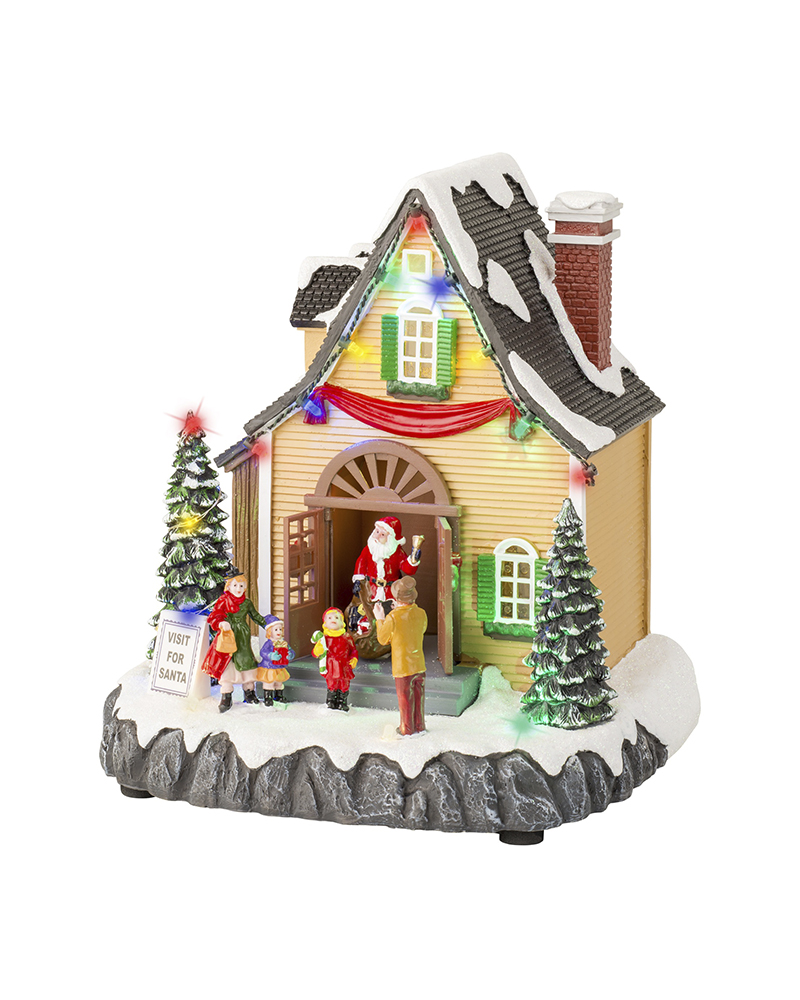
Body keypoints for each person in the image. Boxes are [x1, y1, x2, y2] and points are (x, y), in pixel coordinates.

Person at [200, 573, 266, 713]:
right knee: (228, 664)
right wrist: (221, 622)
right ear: (228, 587)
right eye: (235, 585)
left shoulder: (246, 603)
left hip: (242, 637)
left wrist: (268, 624)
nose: (238, 589)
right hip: (228, 636)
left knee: (246, 663)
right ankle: (226, 695)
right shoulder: (223, 601)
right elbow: (215, 616)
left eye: (241, 585)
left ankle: (249, 692)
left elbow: (255, 616)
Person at [374, 577, 428, 736]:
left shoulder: (393, 617)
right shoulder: (421, 613)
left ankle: (407, 728)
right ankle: (420, 726)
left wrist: (380, 619)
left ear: (397, 598)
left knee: (405, 700)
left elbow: (382, 639)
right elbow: (421, 630)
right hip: (419, 664)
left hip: (402, 666)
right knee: (419, 698)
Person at [352, 517, 423, 607]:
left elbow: (407, 569)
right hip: (370, 588)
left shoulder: (397, 553)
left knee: (390, 609)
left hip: (390, 591)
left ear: (390, 538)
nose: (377, 536)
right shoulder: (369, 549)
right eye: (377, 532)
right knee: (365, 607)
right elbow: (361, 563)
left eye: (382, 535)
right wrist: (358, 580)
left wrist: (413, 560)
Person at [311, 608, 358, 712]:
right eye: (330, 618)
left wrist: (354, 659)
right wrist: (317, 651)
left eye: (337, 618)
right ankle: (331, 701)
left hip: (344, 665)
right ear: (325, 623)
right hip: (331, 665)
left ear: (342, 623)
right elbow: (315, 653)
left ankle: (342, 701)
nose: (333, 620)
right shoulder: (323, 638)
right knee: (332, 683)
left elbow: (353, 650)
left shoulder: (347, 637)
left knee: (344, 683)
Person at [256, 615, 294, 707]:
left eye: (280, 629)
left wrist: (290, 654)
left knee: (279, 682)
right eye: (276, 630)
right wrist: (271, 655)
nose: (279, 632)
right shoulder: (269, 643)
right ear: (270, 632)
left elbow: (291, 650)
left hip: (279, 667)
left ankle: (278, 695)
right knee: (269, 682)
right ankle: (268, 697)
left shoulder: (283, 643)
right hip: (269, 667)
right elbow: (263, 652)